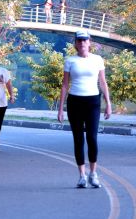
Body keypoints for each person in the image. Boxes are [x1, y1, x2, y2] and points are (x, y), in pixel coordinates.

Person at [57, 30, 112, 188]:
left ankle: (93, 173)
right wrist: (60, 109)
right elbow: (65, 84)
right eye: (79, 40)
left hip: (93, 101)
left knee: (92, 138)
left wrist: (108, 103)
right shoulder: (70, 61)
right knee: (78, 139)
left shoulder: (97, 59)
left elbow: (102, 82)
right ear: (75, 43)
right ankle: (82, 175)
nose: (82, 43)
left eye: (84, 40)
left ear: (90, 42)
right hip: (75, 101)